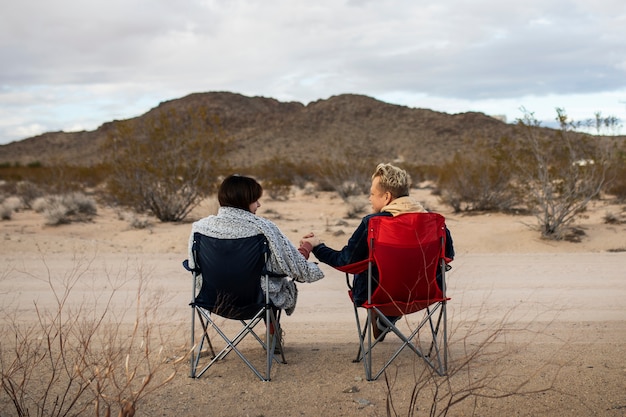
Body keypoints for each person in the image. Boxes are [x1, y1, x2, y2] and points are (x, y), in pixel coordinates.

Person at [301, 163, 454, 340]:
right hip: (428, 294)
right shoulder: (435, 222)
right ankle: (386, 320)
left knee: (370, 267)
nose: (369, 198)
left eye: (373, 194)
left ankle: (384, 317)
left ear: (387, 197)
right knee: (396, 269)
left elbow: (346, 262)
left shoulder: (373, 223)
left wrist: (317, 246)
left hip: (377, 296)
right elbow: (448, 256)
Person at [188, 174, 324, 318]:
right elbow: (292, 265)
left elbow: (193, 264)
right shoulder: (263, 228)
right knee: (270, 279)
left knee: (264, 276)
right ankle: (272, 332)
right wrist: (308, 246)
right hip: (256, 302)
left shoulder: (200, 228)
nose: (259, 205)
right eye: (255, 200)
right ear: (243, 201)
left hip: (212, 300)